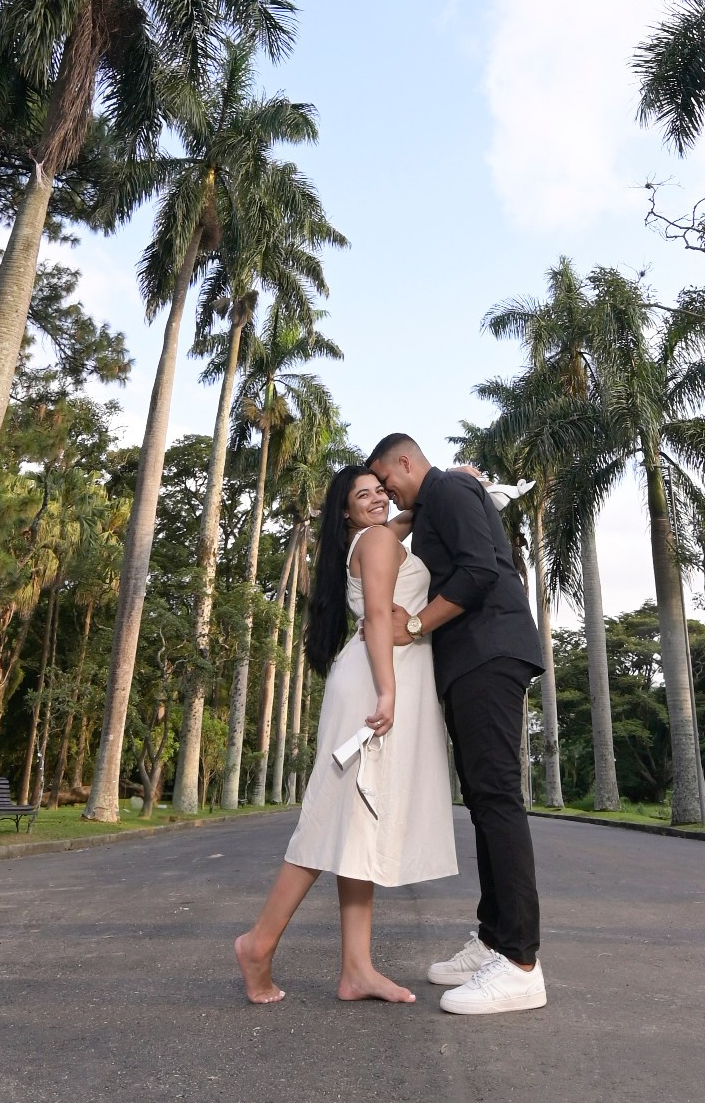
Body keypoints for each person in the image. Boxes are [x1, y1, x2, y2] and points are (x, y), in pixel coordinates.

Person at [234, 464, 457, 1005]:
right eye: (364, 495)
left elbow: (407, 514)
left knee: (357, 827)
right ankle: (258, 943)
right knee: (331, 819)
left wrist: (453, 480)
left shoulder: (377, 535)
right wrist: (387, 693)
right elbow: (380, 616)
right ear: (346, 512)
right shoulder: (377, 541)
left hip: (375, 678)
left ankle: (356, 969)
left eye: (380, 489)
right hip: (375, 687)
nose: (379, 499)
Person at [367, 433, 547, 1016]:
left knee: (497, 796)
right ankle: (494, 938)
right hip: (472, 659)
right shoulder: (444, 492)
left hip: (489, 651)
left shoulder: (447, 488)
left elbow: (478, 574)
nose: (390, 498)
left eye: (388, 482)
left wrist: (415, 626)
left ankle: (521, 963)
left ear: (404, 461)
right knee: (482, 797)